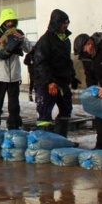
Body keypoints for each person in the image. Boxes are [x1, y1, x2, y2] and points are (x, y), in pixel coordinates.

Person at [32, 9, 76, 137]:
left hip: (62, 82)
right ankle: (42, 142)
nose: (66, 26)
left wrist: (72, 76)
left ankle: (61, 139)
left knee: (66, 109)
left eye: (67, 23)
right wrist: (49, 81)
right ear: (56, 23)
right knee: (45, 111)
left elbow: (67, 61)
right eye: (63, 23)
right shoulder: (45, 40)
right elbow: (41, 63)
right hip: (47, 83)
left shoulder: (66, 40)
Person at [0, 8, 30, 130]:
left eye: (12, 21)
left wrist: (21, 39)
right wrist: (5, 45)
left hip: (14, 76)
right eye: (8, 21)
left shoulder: (18, 32)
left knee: (14, 106)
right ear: (3, 21)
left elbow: (28, 49)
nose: (10, 23)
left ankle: (14, 127)